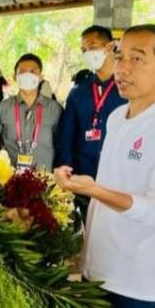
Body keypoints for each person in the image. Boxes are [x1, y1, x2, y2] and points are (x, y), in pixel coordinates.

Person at [55, 24, 155, 308]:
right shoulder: (117, 117)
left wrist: (95, 190)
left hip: (137, 280)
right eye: (120, 57)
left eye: (137, 58)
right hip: (96, 269)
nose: (122, 68)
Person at [55, 25, 126, 219]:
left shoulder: (126, 90)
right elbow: (67, 135)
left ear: (110, 47)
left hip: (118, 180)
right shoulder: (79, 93)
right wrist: (65, 168)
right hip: (83, 177)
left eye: (93, 47)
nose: (88, 53)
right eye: (84, 50)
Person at [0, 54, 62, 171]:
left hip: (46, 183)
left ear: (41, 77)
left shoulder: (55, 110)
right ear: (15, 77)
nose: (28, 75)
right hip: (9, 182)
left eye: (33, 71)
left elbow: (62, 146)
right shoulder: (0, 109)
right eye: (22, 72)